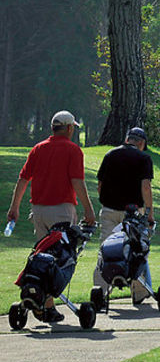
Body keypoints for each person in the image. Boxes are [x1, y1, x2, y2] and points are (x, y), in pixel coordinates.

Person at [6, 110, 96, 323]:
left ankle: (45, 306)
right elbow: (77, 182)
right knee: (61, 259)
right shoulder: (73, 150)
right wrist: (89, 210)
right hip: (62, 212)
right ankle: (46, 303)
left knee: (42, 258)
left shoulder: (38, 148)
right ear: (70, 128)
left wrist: (14, 208)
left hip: (38, 211)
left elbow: (22, 179)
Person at [93, 126, 155, 304]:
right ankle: (139, 291)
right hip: (134, 213)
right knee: (137, 251)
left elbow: (100, 185)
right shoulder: (144, 158)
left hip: (109, 210)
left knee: (105, 251)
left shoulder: (110, 155)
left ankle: (100, 292)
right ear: (141, 143)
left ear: (127, 139)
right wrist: (149, 214)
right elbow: (146, 187)